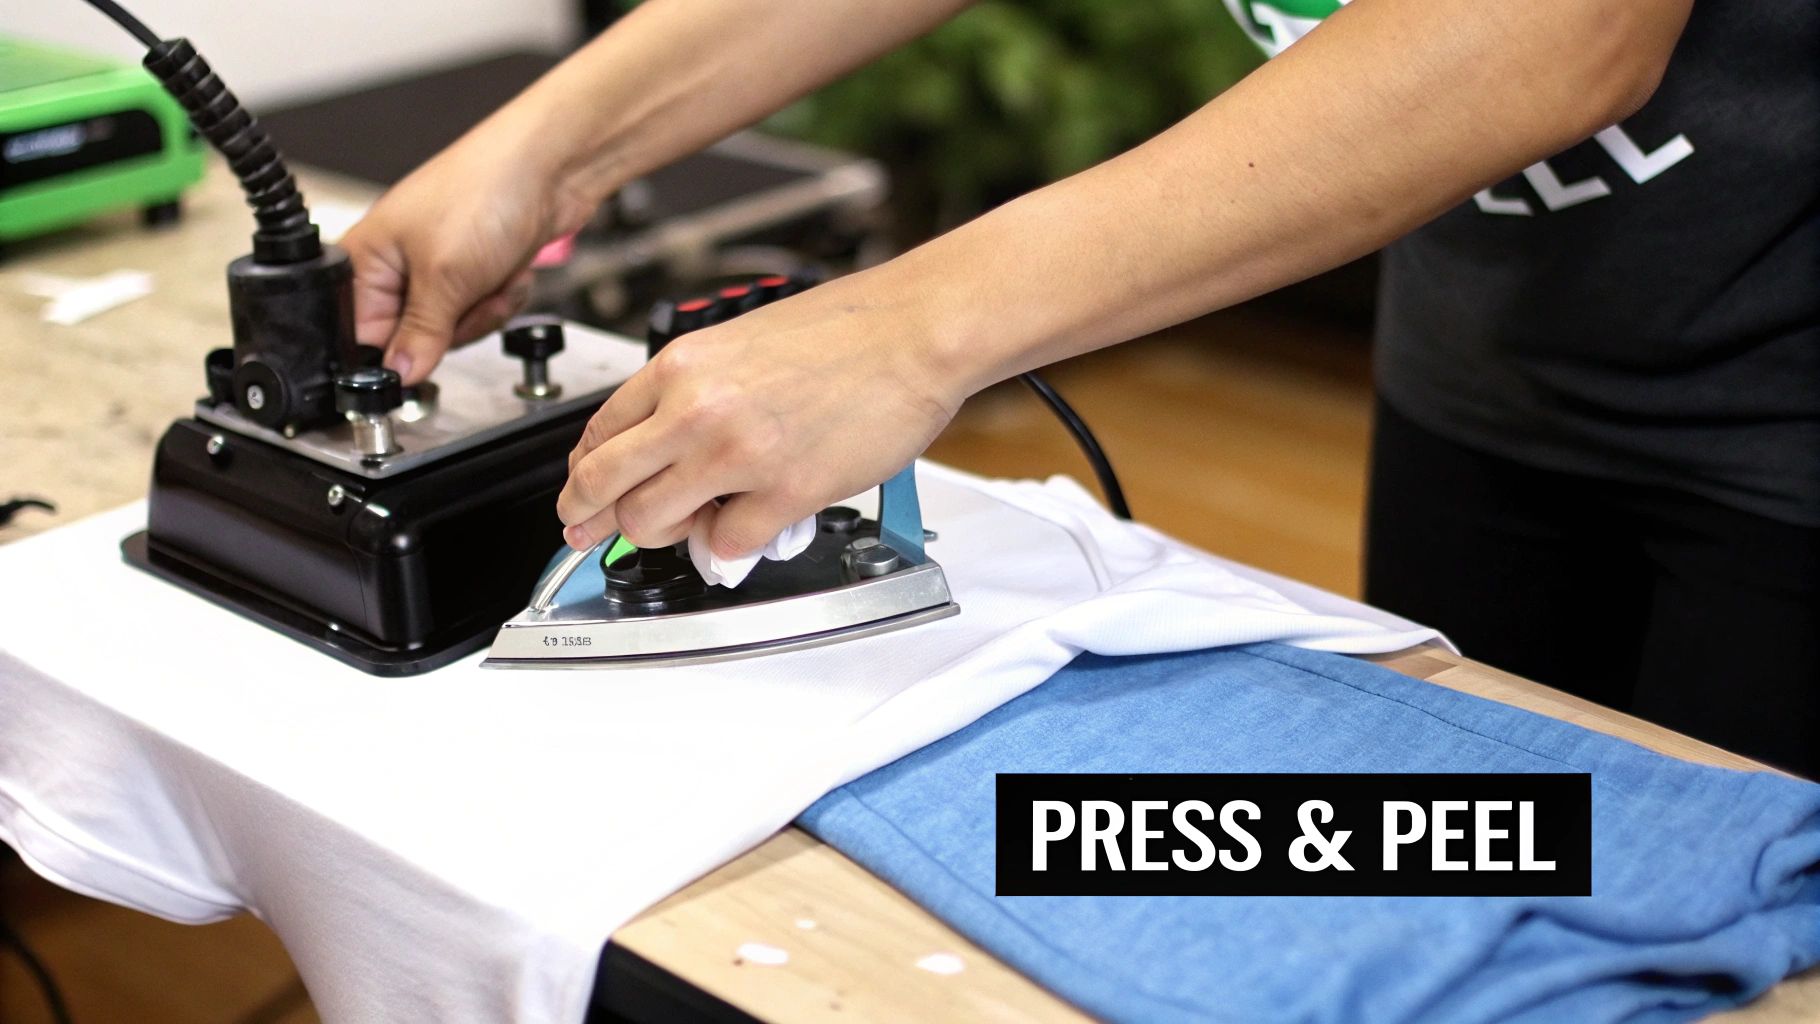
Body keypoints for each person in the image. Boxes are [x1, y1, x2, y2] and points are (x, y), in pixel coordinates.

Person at [342, 0, 1819, 773]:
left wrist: (908, 329)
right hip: (1488, 356)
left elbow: (1551, 28)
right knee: (1498, 837)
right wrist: (548, 151)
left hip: (1786, 393)